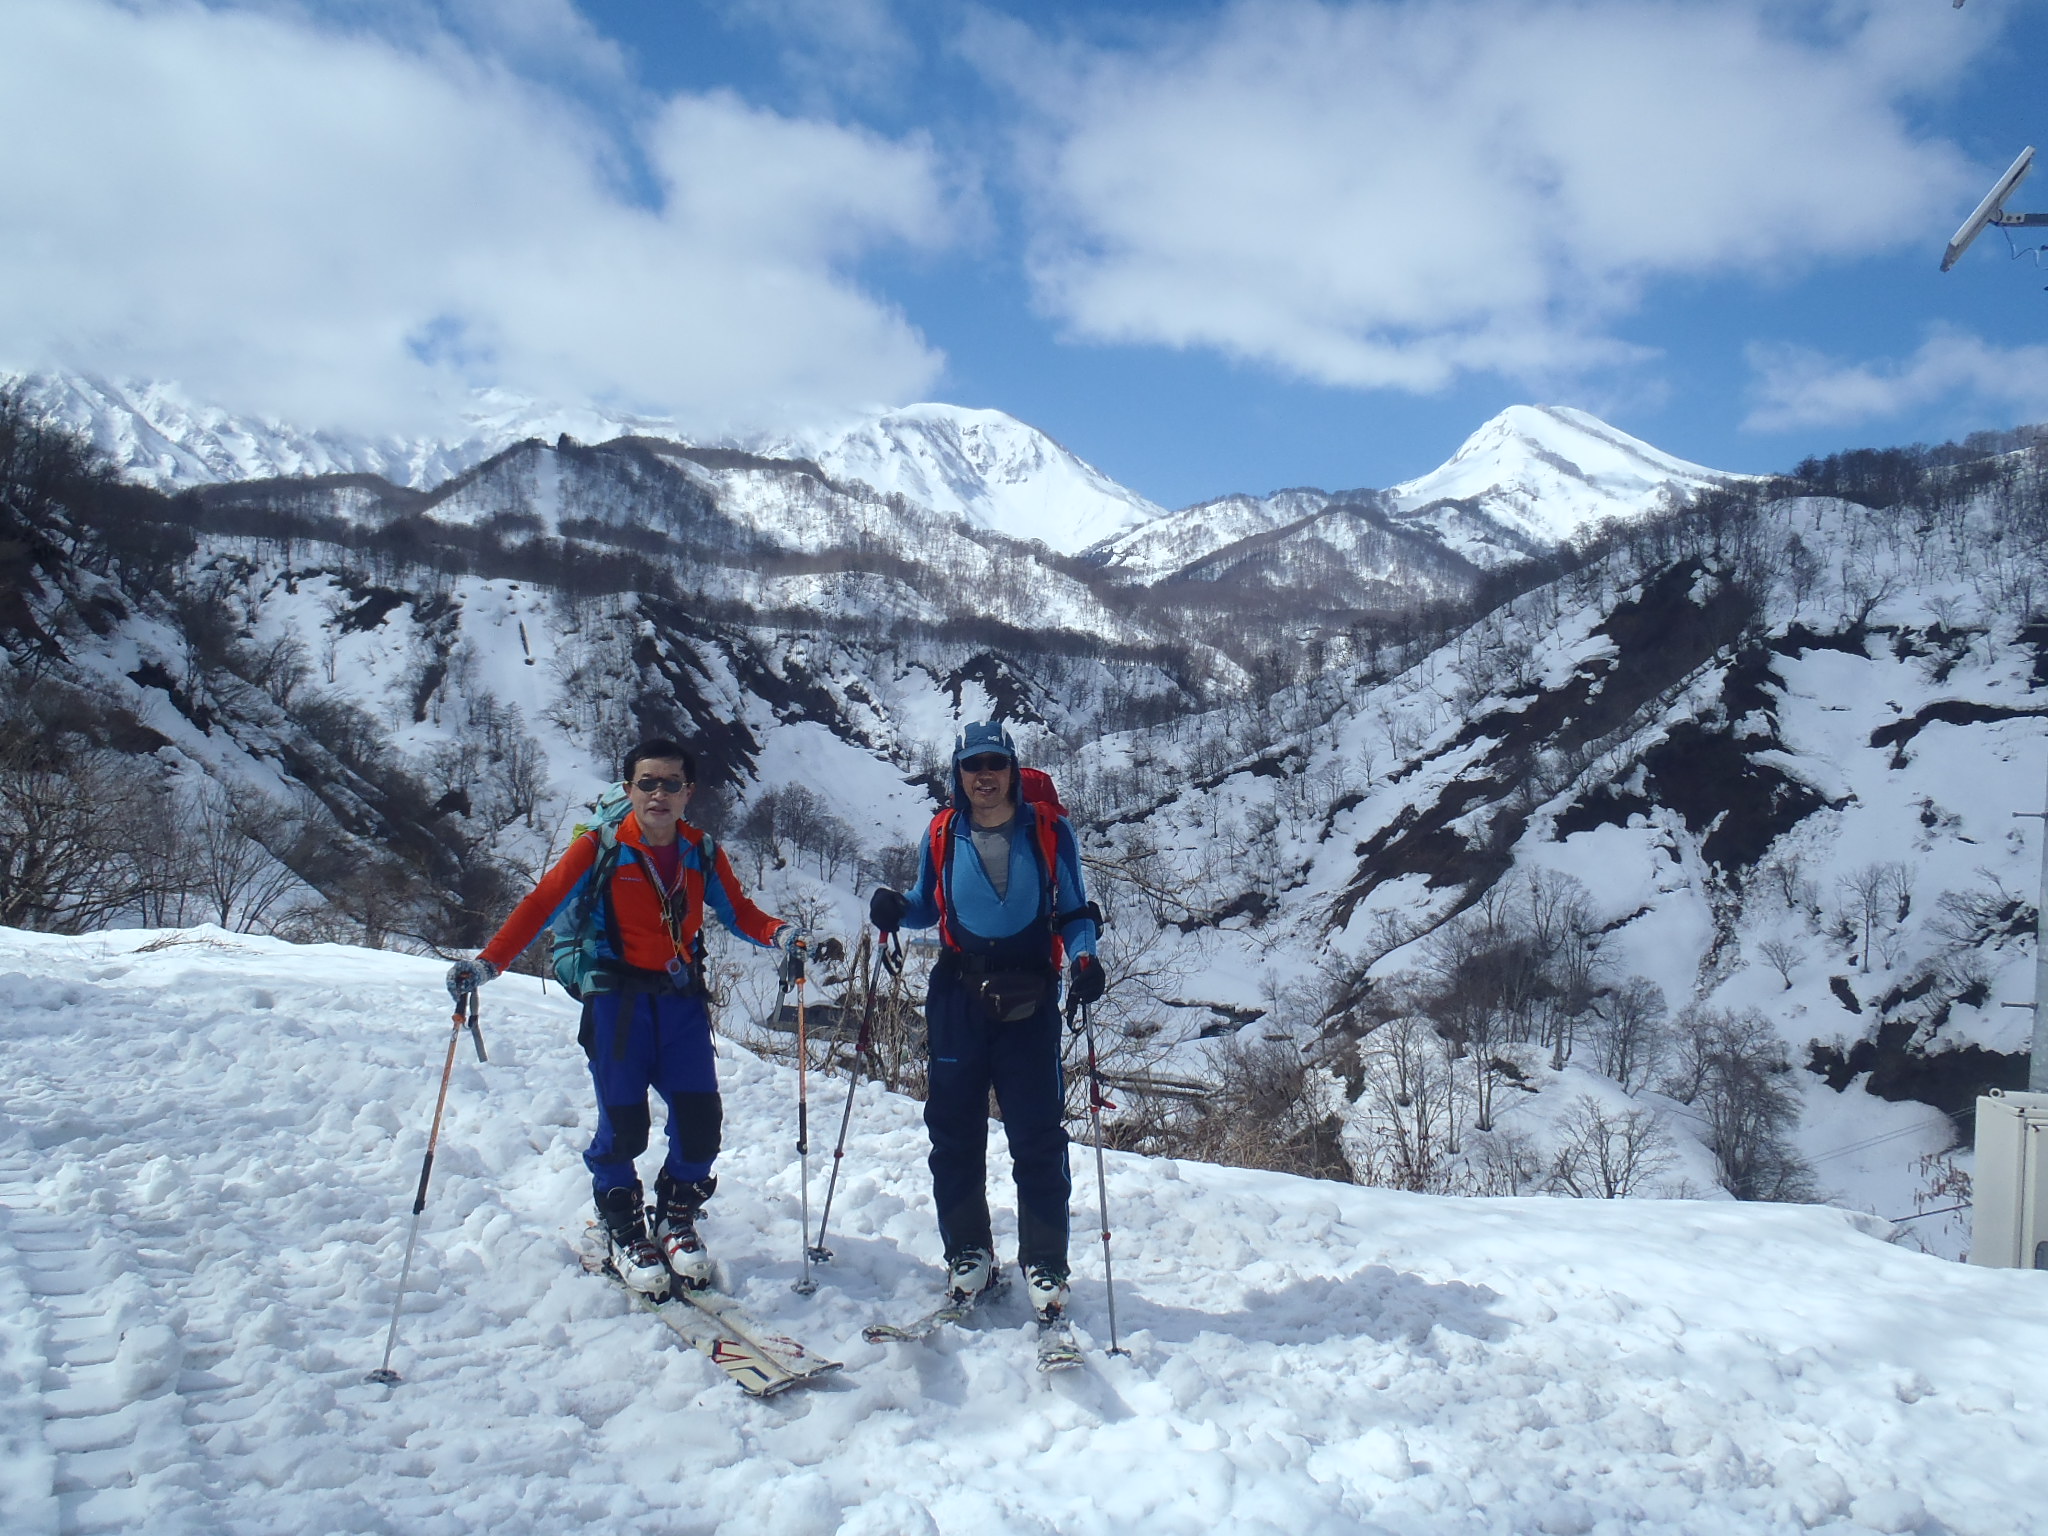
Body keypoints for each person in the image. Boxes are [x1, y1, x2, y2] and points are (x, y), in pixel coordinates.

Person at [445, 738, 795, 1296]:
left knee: (701, 1124)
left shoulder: (702, 851)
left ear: (689, 792)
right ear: (629, 788)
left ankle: (674, 1215)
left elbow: (738, 911)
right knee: (625, 1124)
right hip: (617, 1003)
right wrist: (490, 963)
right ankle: (622, 1222)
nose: (659, 794)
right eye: (647, 783)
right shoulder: (601, 850)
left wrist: (779, 933)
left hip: (679, 1002)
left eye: (671, 784)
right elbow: (541, 905)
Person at [868, 722, 1104, 1321]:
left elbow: (1073, 909)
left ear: (1011, 769)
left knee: (1038, 1134)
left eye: (995, 763)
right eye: (973, 765)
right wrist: (896, 907)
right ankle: (967, 1250)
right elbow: (928, 904)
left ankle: (1045, 1259)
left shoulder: (1049, 831)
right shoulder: (943, 832)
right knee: (953, 1129)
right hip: (957, 991)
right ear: (959, 773)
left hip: (1029, 992)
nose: (984, 775)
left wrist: (1084, 958)